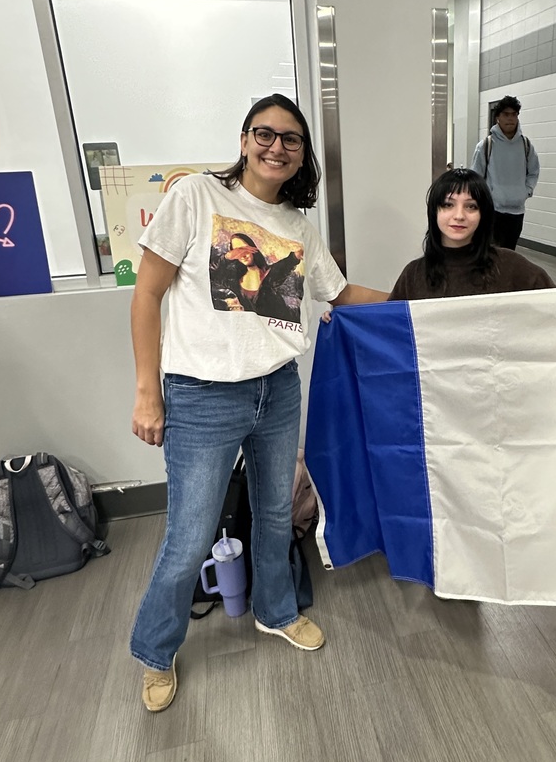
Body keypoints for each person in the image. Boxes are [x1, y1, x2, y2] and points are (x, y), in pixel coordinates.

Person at [130, 93, 388, 712]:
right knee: (189, 536)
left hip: (276, 389)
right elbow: (145, 297)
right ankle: (154, 649)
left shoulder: (298, 227)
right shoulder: (195, 196)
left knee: (275, 515)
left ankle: (275, 610)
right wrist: (146, 392)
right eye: (265, 134)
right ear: (244, 140)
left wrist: (421, 296)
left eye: (291, 140)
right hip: (200, 395)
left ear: (302, 157)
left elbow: (341, 293)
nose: (277, 147)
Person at [388, 167, 555, 301]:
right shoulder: (414, 274)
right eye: (448, 205)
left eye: (471, 207)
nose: (459, 216)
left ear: (483, 214)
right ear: (434, 212)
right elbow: (388, 327)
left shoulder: (511, 266)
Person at [470, 95, 540, 251]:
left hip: (517, 210)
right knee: (491, 254)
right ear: (498, 118)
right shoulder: (486, 146)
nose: (510, 118)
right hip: (493, 210)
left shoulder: (525, 145)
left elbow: (534, 171)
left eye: (514, 114)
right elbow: (476, 177)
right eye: (506, 114)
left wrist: (526, 191)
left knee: (509, 253)